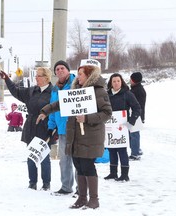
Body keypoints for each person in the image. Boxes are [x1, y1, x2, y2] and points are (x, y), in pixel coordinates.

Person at [37, 59, 112, 209]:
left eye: (81, 74)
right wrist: (45, 111)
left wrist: (87, 118)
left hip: (90, 136)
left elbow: (107, 113)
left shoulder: (99, 91)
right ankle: (82, 198)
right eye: (78, 74)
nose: (78, 77)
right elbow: (60, 104)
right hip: (74, 134)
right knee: (78, 164)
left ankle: (94, 199)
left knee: (87, 166)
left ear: (89, 76)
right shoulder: (74, 90)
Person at [0, 67, 53, 191]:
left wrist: (53, 129)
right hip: (31, 127)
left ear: (46, 78)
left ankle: (46, 183)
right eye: (36, 76)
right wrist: (7, 79)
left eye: (39, 76)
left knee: (44, 157)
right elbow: (16, 91)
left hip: (45, 128)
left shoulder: (53, 92)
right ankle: (32, 182)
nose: (36, 78)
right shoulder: (31, 91)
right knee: (31, 155)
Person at [104, 73, 141, 182]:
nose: (116, 83)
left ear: (121, 82)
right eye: (114, 81)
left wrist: (131, 122)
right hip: (110, 126)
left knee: (122, 150)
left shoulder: (127, 94)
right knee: (111, 150)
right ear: (111, 83)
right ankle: (113, 172)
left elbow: (137, 108)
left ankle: (125, 174)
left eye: (118, 81)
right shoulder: (107, 95)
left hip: (122, 127)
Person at [48, 60, 76, 195]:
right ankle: (66, 187)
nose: (59, 71)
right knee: (64, 160)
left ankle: (81, 189)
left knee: (78, 160)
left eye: (62, 68)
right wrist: (51, 126)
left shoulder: (76, 84)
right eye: (57, 69)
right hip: (62, 129)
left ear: (68, 70)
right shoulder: (55, 89)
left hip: (77, 129)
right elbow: (53, 109)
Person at [129, 72, 147, 160]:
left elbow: (136, 105)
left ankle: (135, 154)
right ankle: (137, 149)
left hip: (135, 115)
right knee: (134, 133)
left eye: (131, 79)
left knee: (134, 134)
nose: (129, 81)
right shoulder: (138, 89)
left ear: (134, 80)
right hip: (138, 115)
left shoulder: (136, 90)